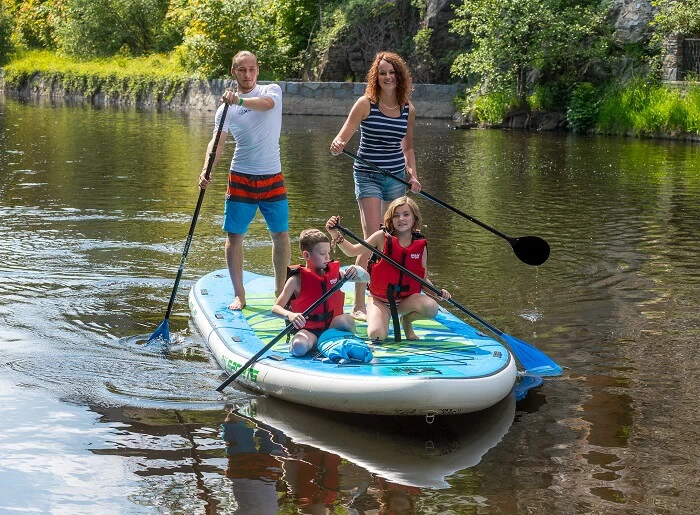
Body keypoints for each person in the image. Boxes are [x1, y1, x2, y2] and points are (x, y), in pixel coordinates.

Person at [330, 51, 422, 321]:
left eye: (392, 72)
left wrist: (412, 175)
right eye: (382, 73)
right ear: (376, 76)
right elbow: (341, 139)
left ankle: (389, 294)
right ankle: (359, 302)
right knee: (372, 240)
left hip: (395, 177)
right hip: (368, 175)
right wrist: (337, 146)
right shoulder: (365, 103)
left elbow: (408, 148)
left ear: (399, 76)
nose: (387, 77)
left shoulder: (408, 109)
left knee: (394, 239)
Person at [199, 50, 290, 310]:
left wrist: (238, 100)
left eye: (251, 69)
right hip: (240, 177)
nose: (247, 74)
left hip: (273, 176)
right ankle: (239, 294)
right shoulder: (224, 111)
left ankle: (280, 288)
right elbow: (216, 145)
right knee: (235, 236)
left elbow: (266, 106)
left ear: (257, 70)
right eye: (242, 70)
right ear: (234, 72)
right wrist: (206, 169)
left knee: (281, 234)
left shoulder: (271, 91)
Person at [326, 197, 450, 342]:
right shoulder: (381, 237)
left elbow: (422, 279)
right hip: (380, 299)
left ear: (414, 219)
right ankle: (381, 317)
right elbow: (352, 251)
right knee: (376, 336)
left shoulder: (420, 245)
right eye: (396, 215)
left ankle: (407, 321)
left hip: (406, 301)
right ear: (391, 220)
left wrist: (437, 293)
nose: (401, 219)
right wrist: (335, 234)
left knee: (431, 307)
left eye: (406, 214)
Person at [272, 229, 369, 357]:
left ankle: (328, 340)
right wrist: (290, 315)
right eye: (322, 253)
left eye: (328, 252)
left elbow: (367, 279)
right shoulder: (295, 280)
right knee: (299, 347)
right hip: (308, 331)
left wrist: (358, 270)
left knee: (347, 320)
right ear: (307, 255)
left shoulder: (337, 274)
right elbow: (275, 308)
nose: (327, 257)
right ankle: (321, 343)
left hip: (331, 328)